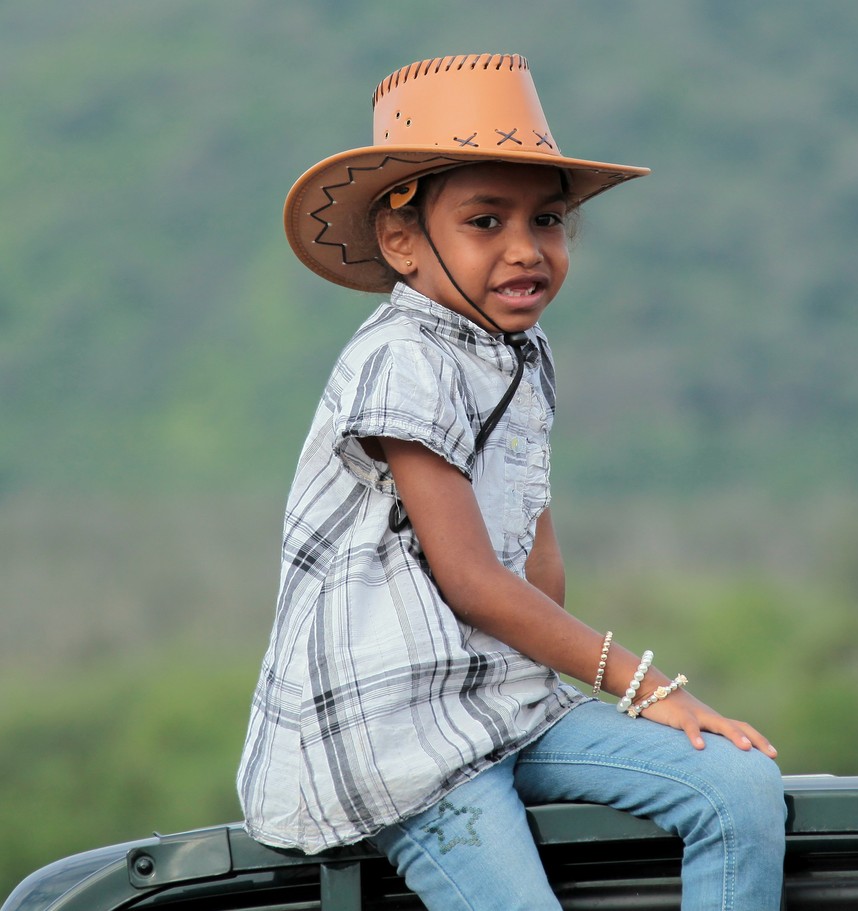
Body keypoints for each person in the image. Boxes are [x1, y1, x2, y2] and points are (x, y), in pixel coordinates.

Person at [238, 53, 786, 909]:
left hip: (503, 698)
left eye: (549, 220)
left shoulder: (521, 354)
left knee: (737, 786)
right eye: (485, 220)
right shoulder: (401, 359)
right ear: (402, 241)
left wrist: (568, 685)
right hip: (402, 728)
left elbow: (535, 555)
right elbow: (471, 578)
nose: (526, 249)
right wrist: (647, 687)